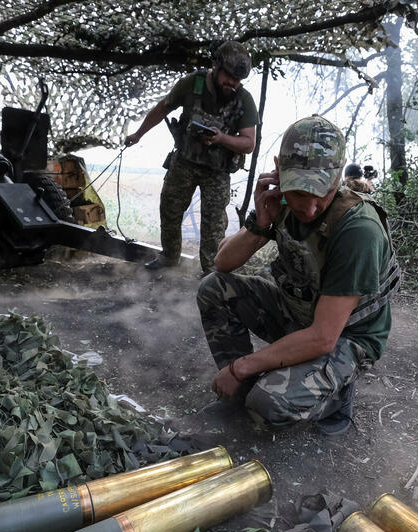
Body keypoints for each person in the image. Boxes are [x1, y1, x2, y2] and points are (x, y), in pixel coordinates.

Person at [197, 115, 400, 436]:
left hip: (345, 336)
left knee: (266, 405)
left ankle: (336, 395)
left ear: (338, 178)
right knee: (213, 289)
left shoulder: (358, 230)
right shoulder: (277, 200)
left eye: (323, 192)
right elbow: (221, 264)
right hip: (300, 312)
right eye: (299, 192)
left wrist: (240, 366)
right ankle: (248, 385)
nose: (308, 208)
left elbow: (323, 337)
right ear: (278, 169)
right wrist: (260, 225)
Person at [125, 41, 258, 274]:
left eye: (237, 81)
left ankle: (211, 272)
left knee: (214, 225)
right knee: (170, 209)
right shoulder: (192, 84)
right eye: (228, 77)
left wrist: (221, 139)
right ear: (215, 66)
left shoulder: (244, 100)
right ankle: (168, 258)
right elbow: (162, 109)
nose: (232, 84)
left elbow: (249, 143)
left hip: (217, 171)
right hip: (185, 162)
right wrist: (138, 134)